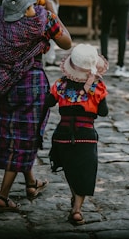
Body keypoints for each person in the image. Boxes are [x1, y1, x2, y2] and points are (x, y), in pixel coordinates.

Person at [0, 0, 72, 212]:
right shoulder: (42, 16)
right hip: (30, 85)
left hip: (0, 84)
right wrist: (53, 11)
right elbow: (66, 42)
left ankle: (31, 183)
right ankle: (2, 195)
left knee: (16, 134)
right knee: (24, 137)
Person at [46, 43, 109, 225]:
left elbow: (48, 102)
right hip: (86, 136)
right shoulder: (97, 88)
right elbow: (103, 112)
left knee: (71, 169)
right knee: (84, 171)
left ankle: (75, 200)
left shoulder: (60, 85)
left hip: (62, 135)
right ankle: (77, 210)